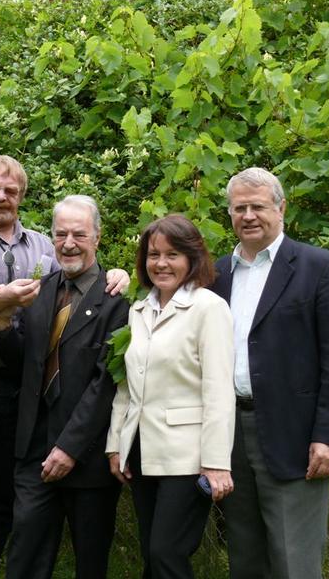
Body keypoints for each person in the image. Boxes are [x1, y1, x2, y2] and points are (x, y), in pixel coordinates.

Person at [0, 155, 129, 579]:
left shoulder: (42, 248)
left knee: (1, 506)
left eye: (11, 191)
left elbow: (80, 299)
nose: (0, 197)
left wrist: (120, 274)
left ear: (21, 196)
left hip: (22, 398)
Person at [211, 168, 329, 579]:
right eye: (239, 208)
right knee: (244, 557)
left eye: (258, 206)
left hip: (295, 436)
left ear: (281, 208)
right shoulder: (218, 273)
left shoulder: (320, 267)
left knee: (294, 562)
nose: (248, 215)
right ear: (230, 213)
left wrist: (328, 436)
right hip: (231, 435)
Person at [0, 195, 129, 579]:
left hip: (86, 457)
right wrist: (1, 326)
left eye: (79, 234)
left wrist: (69, 448)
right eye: (61, 234)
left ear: (97, 238)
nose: (69, 242)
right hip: (34, 449)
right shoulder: (39, 291)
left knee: (90, 562)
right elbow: (28, 365)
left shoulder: (118, 300)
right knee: (25, 556)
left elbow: (106, 383)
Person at [106, 213, 235, 579]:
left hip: (188, 457)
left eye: (172, 254)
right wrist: (117, 443)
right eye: (153, 254)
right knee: (152, 555)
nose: (161, 263)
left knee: (167, 553)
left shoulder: (209, 309)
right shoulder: (139, 309)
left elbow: (218, 391)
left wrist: (215, 462)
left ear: (192, 258)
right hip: (144, 451)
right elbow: (127, 387)